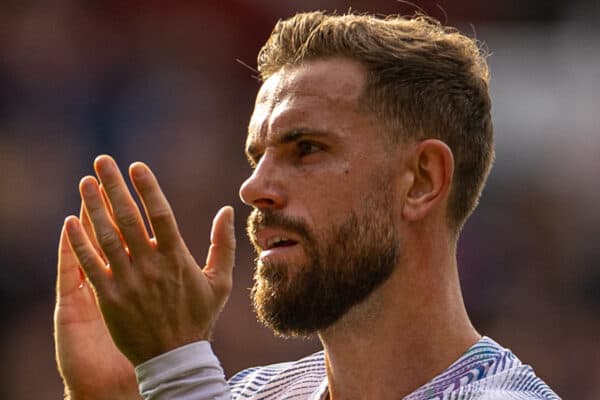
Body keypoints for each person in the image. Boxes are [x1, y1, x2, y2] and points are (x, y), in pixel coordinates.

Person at [54, 11, 560, 400]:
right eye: (257, 157)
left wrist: (175, 368)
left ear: (422, 181)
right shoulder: (252, 391)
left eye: (307, 149)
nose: (254, 187)